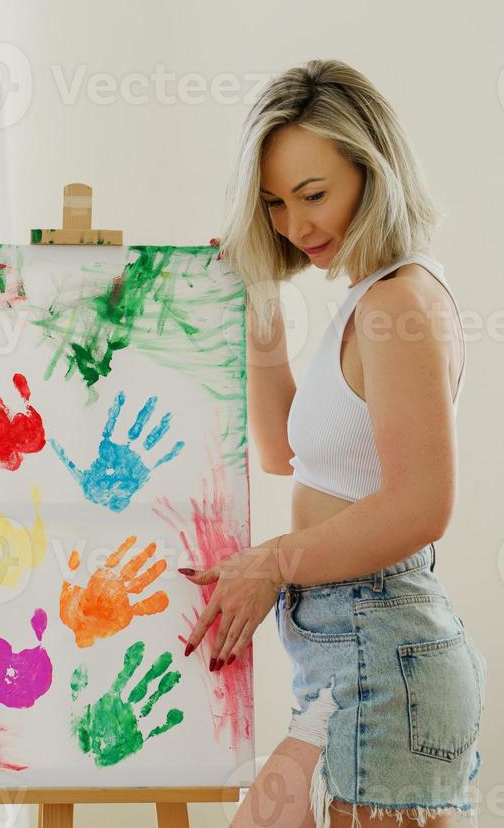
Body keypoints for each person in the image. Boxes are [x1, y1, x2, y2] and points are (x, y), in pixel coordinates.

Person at [178, 60, 487, 828]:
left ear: (372, 169)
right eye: (274, 204)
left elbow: (421, 505)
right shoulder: (366, 298)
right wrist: (261, 303)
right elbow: (289, 453)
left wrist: (273, 562)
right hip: (346, 654)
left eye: (314, 195)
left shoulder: (397, 302)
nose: (295, 225)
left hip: (382, 647)